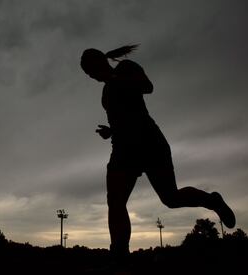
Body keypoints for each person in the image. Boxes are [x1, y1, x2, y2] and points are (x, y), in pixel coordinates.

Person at [80, 45, 236, 263]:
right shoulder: (105, 94)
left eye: (91, 71)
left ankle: (213, 201)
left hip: (150, 142)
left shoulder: (125, 68)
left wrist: (117, 79)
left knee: (171, 199)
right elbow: (123, 120)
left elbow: (147, 87)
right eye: (88, 75)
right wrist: (110, 131)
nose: (92, 77)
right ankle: (119, 257)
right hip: (124, 149)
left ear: (99, 63)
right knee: (115, 202)